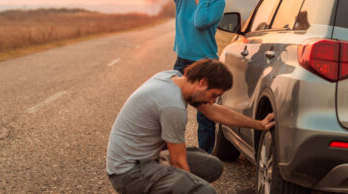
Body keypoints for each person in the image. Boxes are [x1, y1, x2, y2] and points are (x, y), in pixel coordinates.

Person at [106, 59, 275, 193]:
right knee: (203, 191)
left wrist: (259, 124)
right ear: (202, 82)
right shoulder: (172, 105)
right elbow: (178, 163)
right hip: (128, 172)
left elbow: (215, 111)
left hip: (148, 158)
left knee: (211, 166)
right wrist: (191, 186)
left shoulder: (171, 78)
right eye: (213, 95)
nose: (212, 101)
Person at [158, 0, 226, 154]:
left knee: (204, 117)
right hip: (182, 63)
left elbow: (200, 21)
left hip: (205, 64)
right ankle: (166, 154)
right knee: (171, 110)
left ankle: (205, 157)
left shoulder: (218, 2)